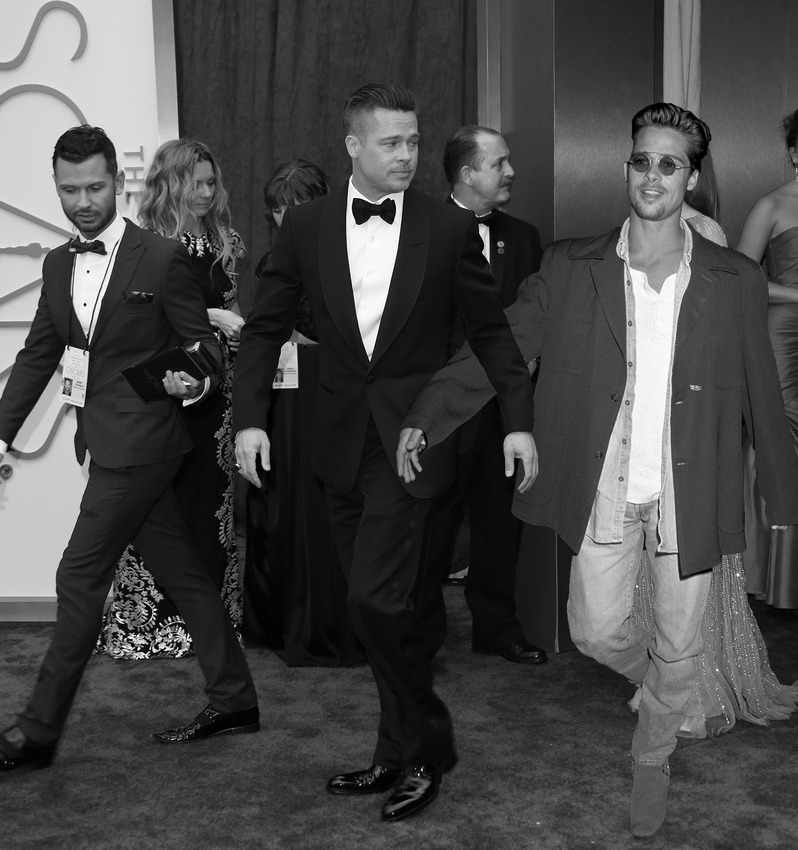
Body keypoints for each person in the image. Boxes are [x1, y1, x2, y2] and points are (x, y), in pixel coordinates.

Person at [397, 103, 798, 838]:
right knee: (595, 629)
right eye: (642, 160)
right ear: (628, 168)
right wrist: (429, 411)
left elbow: (761, 391)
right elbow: (501, 347)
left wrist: (783, 493)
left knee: (681, 638)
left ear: (692, 178)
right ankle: (670, 691)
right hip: (605, 479)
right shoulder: (571, 264)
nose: (653, 176)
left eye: (670, 164)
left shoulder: (733, 277)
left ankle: (653, 760)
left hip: (690, 484)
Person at [233, 83, 536, 822]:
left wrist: (518, 421)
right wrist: (250, 420)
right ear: (353, 146)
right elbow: (265, 327)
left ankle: (428, 745)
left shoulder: (446, 225)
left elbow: (491, 333)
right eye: (390, 142)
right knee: (373, 608)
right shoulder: (306, 225)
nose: (407, 155)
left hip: (411, 442)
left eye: (413, 141)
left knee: (377, 599)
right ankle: (394, 749)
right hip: (337, 441)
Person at [0, 126, 259, 773]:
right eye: (69, 190)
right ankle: (234, 698)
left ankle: (36, 732)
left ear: (118, 182)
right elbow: (37, 357)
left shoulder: (161, 257)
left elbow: (202, 347)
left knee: (77, 574)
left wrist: (192, 379)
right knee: (182, 570)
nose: (83, 201)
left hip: (145, 445)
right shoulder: (58, 264)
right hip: (105, 439)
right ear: (56, 187)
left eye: (94, 187)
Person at [96, 138, 247, 659]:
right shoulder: (148, 241)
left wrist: (235, 325)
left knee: (211, 502)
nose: (206, 192)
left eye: (211, 182)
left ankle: (210, 622)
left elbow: (232, 306)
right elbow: (143, 320)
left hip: (215, 392)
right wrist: (211, 317)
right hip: (164, 393)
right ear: (169, 183)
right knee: (161, 505)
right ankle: (151, 624)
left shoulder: (224, 238)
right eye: (195, 183)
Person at [415, 125, 546, 663]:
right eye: (499, 164)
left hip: (504, 407)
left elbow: (536, 316)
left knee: (500, 521)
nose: (511, 171)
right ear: (468, 174)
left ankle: (497, 627)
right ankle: (421, 635)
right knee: (432, 525)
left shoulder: (525, 237)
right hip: (443, 405)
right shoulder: (421, 231)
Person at [243, 160, 363, 666]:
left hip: (337, 394)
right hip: (285, 402)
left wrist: (302, 337)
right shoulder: (271, 263)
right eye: (277, 210)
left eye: (296, 207)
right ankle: (283, 621)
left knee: (334, 505)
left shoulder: (355, 255)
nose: (286, 218)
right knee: (282, 506)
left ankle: (343, 626)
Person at [737, 107, 798, 609]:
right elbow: (743, 278)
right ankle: (776, 574)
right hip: (784, 338)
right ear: (795, 153)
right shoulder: (773, 205)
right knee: (781, 442)